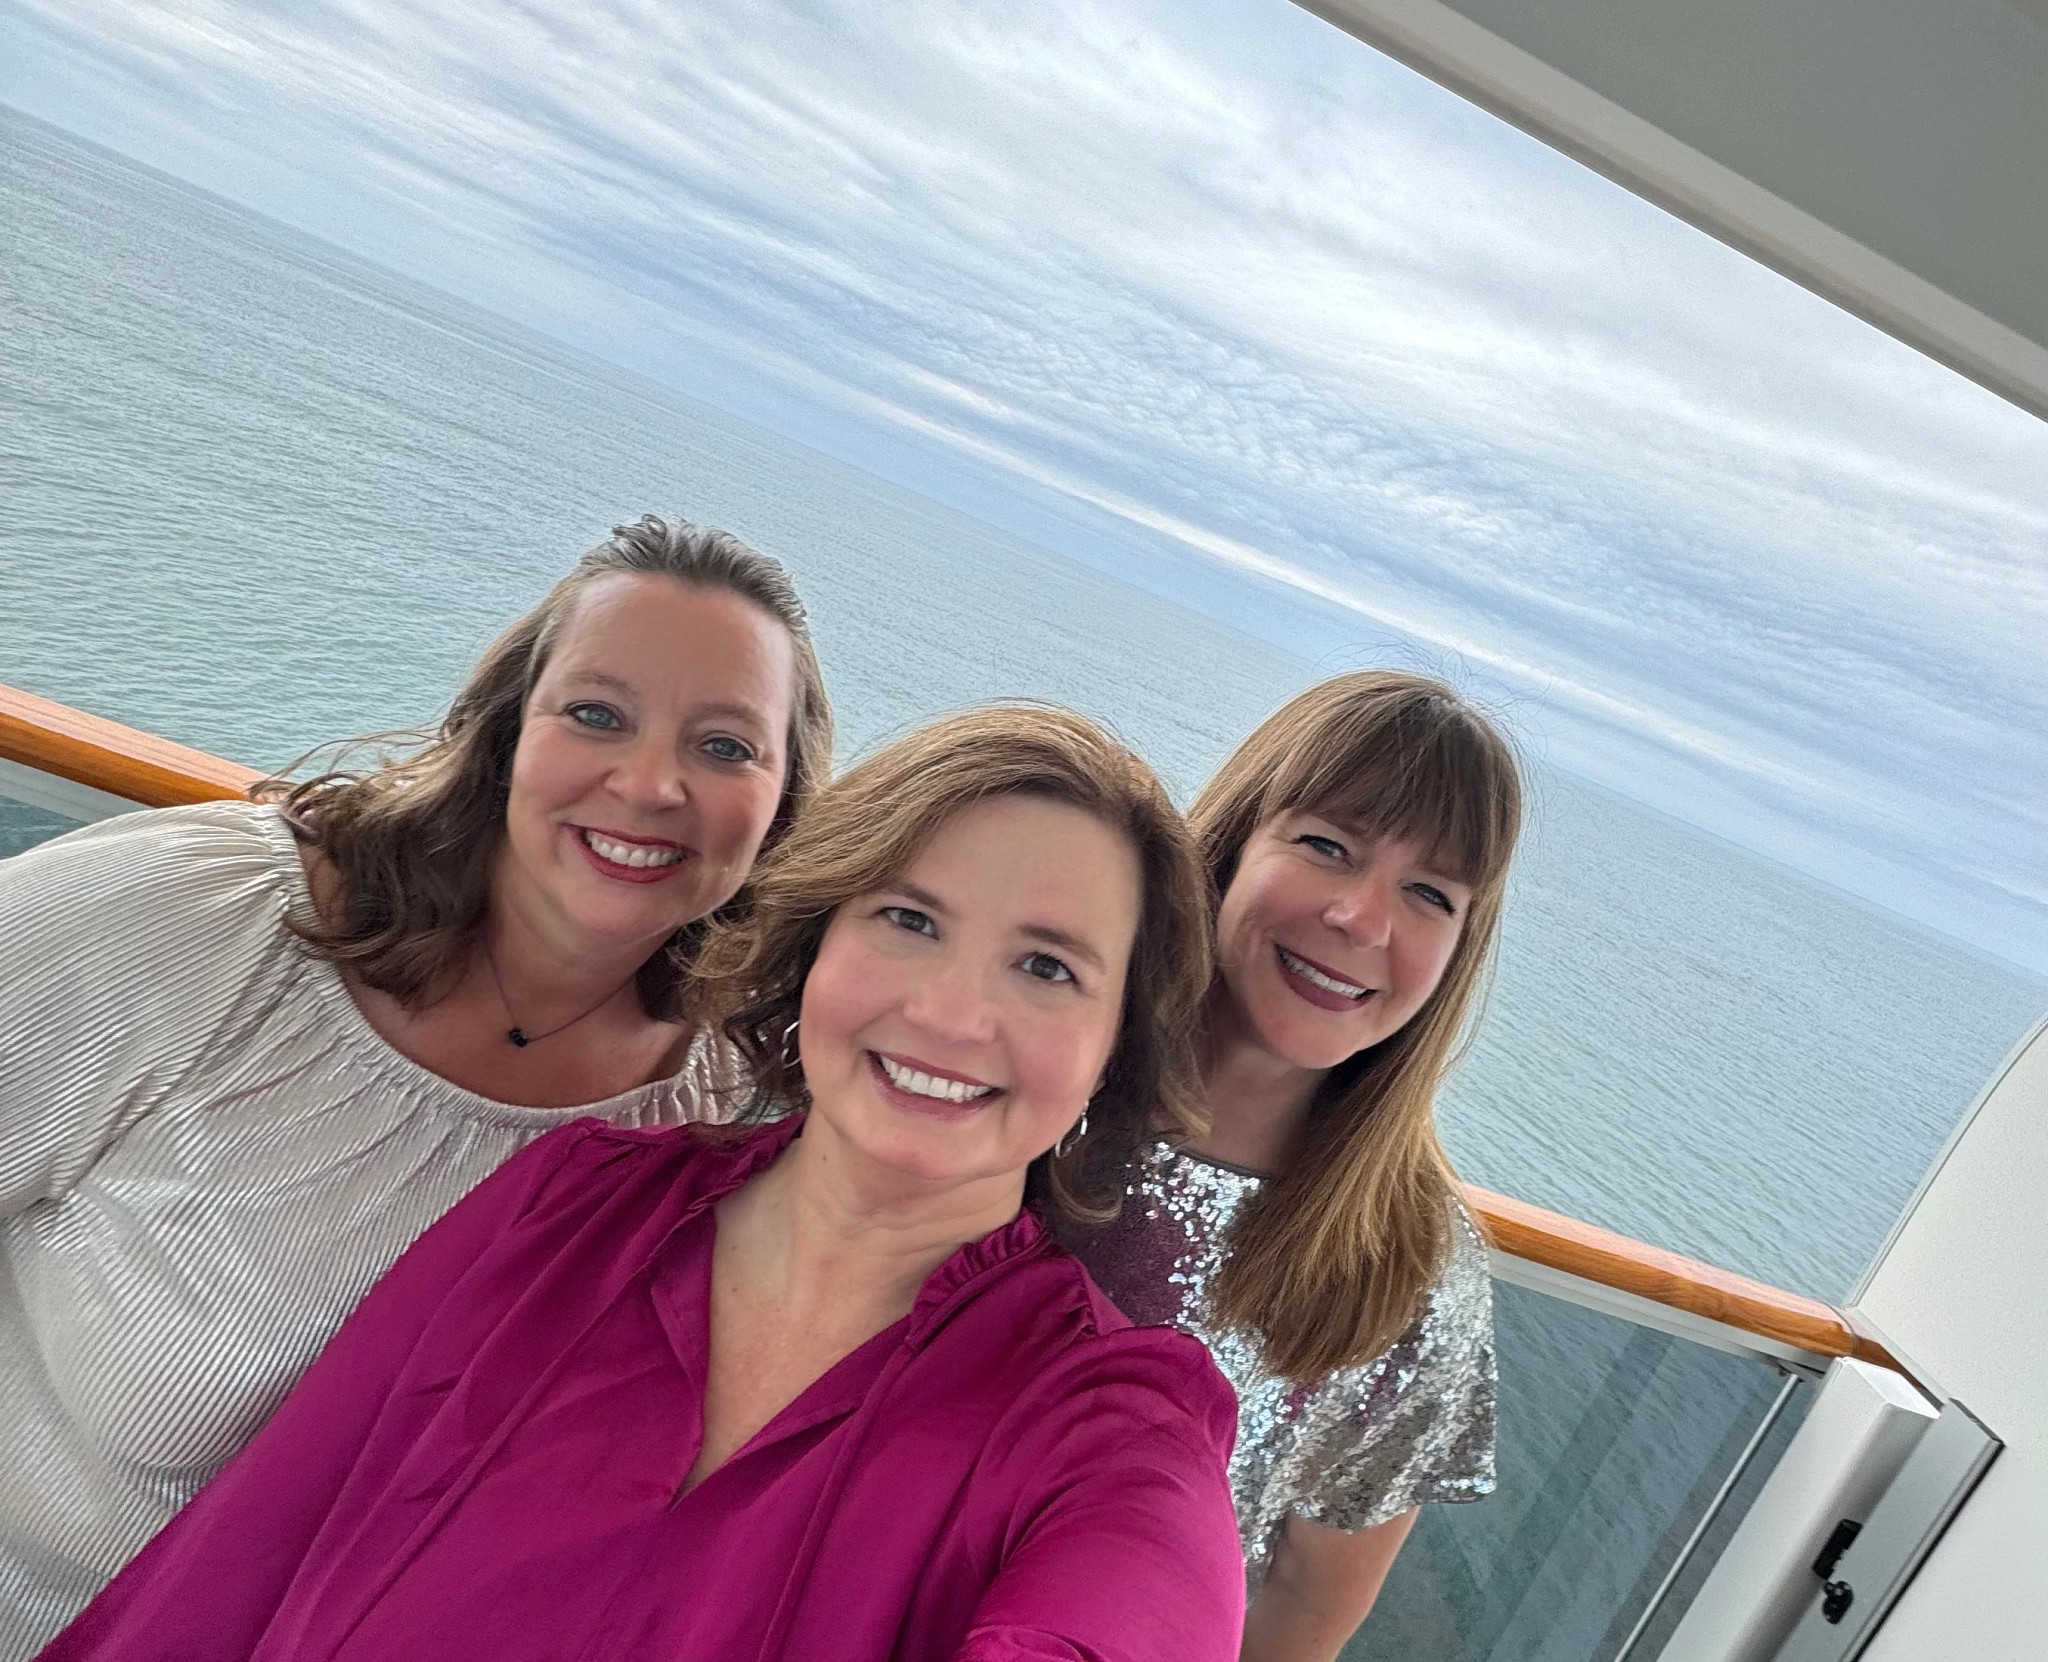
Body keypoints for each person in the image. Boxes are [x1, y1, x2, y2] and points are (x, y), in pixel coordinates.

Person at [39, 705, 1247, 1662]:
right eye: (907, 920)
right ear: (815, 938)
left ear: (1113, 1047)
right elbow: (251, 1549)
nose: (948, 1013)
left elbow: (1127, 1607)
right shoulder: (575, 1200)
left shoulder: (1108, 1432)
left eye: (1046, 966)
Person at [0, 515, 833, 1658]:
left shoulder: (720, 1112)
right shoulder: (199, 929)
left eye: (726, 746)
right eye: (596, 714)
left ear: (781, 809)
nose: (649, 782)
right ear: (504, 737)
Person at [1064, 671, 1524, 1662]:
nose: (1363, 920)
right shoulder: (1031, 1075)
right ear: (1232, 844)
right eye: (1326, 847)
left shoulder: (1412, 1270)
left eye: (1428, 894)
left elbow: (1301, 1615)